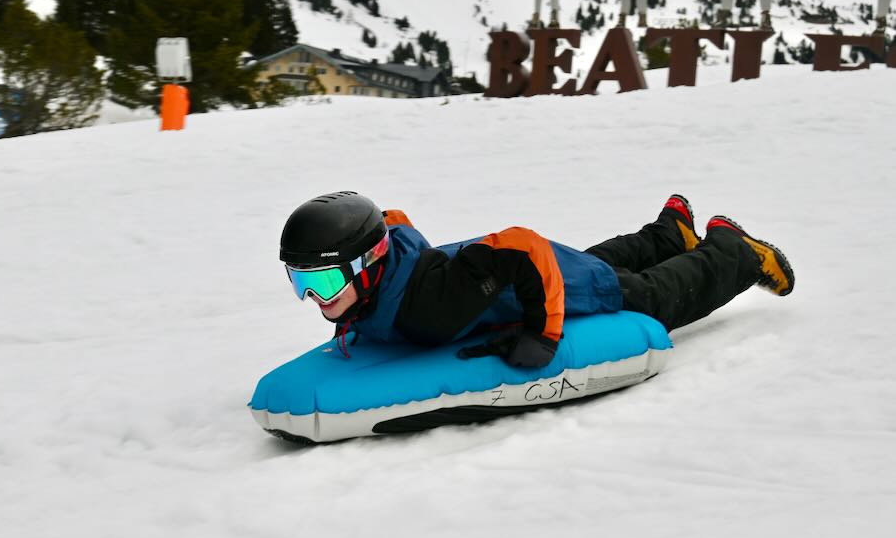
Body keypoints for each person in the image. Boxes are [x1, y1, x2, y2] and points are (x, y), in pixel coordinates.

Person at [279, 192, 794, 366]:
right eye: (300, 281)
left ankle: (733, 251)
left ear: (367, 266)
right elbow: (393, 220)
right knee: (597, 264)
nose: (311, 298)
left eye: (322, 283)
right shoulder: (380, 281)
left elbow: (523, 245)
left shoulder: (430, 302)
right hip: (522, 272)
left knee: (644, 297)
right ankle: (671, 233)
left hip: (536, 278)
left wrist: (543, 335)